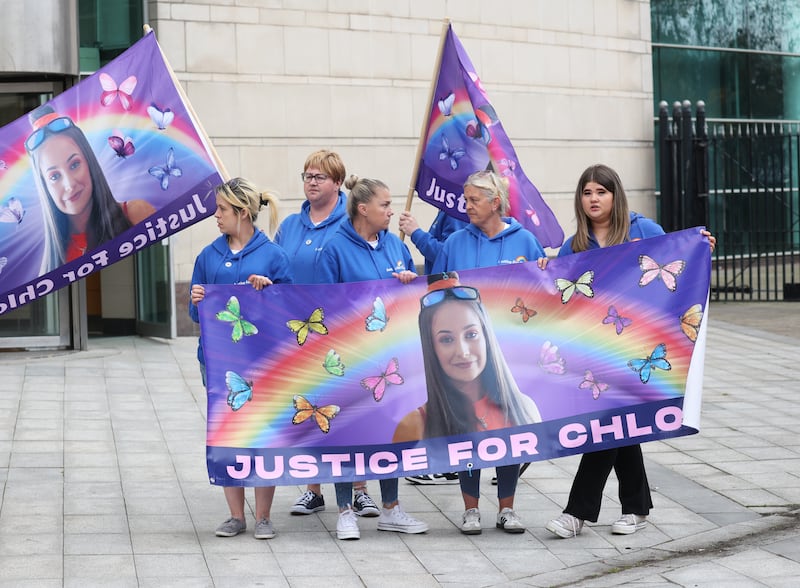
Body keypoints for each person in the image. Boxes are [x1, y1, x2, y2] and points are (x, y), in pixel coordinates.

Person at [543, 163, 716, 539]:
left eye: (601, 192)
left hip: (638, 346)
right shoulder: (573, 245)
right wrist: (546, 269)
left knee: (609, 424)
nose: (593, 199)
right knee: (620, 426)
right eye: (587, 192)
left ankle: (577, 513)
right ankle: (636, 509)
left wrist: (701, 244)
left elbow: (678, 262)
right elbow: (560, 294)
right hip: (599, 350)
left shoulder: (644, 231)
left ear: (615, 195)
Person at [426, 170, 547, 534]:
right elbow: (434, 289)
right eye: (465, 201)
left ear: (495, 202)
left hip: (511, 352)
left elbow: (546, 289)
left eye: (473, 201)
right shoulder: (455, 243)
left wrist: (543, 269)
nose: (466, 207)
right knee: (467, 425)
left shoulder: (525, 240)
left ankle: (507, 508)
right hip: (468, 355)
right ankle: (471, 509)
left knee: (505, 424)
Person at [316, 174, 428, 540]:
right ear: (363, 209)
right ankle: (345, 510)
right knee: (350, 433)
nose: (391, 210)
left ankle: (392, 509)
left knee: (391, 430)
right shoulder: (334, 249)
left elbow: (409, 303)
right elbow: (326, 308)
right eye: (385, 204)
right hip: (352, 360)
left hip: (393, 361)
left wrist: (410, 285)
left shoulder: (396, 246)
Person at [393, 272, 541, 534]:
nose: (462, 351)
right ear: (431, 347)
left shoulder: (522, 405)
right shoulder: (415, 422)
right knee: (463, 442)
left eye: (471, 334)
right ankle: (470, 510)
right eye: (446, 339)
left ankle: (507, 509)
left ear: (486, 335)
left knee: (507, 436)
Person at [275, 150, 379, 518]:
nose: (312, 181)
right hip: (302, 335)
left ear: (338, 183)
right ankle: (315, 489)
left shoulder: (349, 224)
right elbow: (276, 273)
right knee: (313, 408)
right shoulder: (289, 226)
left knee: (353, 410)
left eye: (320, 176)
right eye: (307, 175)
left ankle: (361, 489)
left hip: (346, 334)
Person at [189, 177, 292, 540]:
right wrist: (198, 299)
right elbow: (192, 314)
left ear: (242, 213)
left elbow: (291, 310)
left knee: (263, 433)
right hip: (218, 362)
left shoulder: (274, 256)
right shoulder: (208, 256)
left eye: (222, 210)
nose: (215, 216)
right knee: (227, 431)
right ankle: (236, 516)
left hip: (262, 361)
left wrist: (270, 292)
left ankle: (263, 516)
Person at [26, 104, 155, 274]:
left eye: (74, 164)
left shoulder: (137, 214)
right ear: (45, 187)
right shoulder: (48, 270)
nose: (69, 184)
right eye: (54, 176)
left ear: (89, 162)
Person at [398, 207, 468, 486]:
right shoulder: (449, 208)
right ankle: (445, 460)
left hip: (446, 307)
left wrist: (416, 232)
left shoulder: (457, 211)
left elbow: (444, 259)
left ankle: (442, 460)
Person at [399, 209, 468, 274]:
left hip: (445, 282)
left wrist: (416, 233)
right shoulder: (446, 211)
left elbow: (447, 256)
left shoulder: (453, 214)